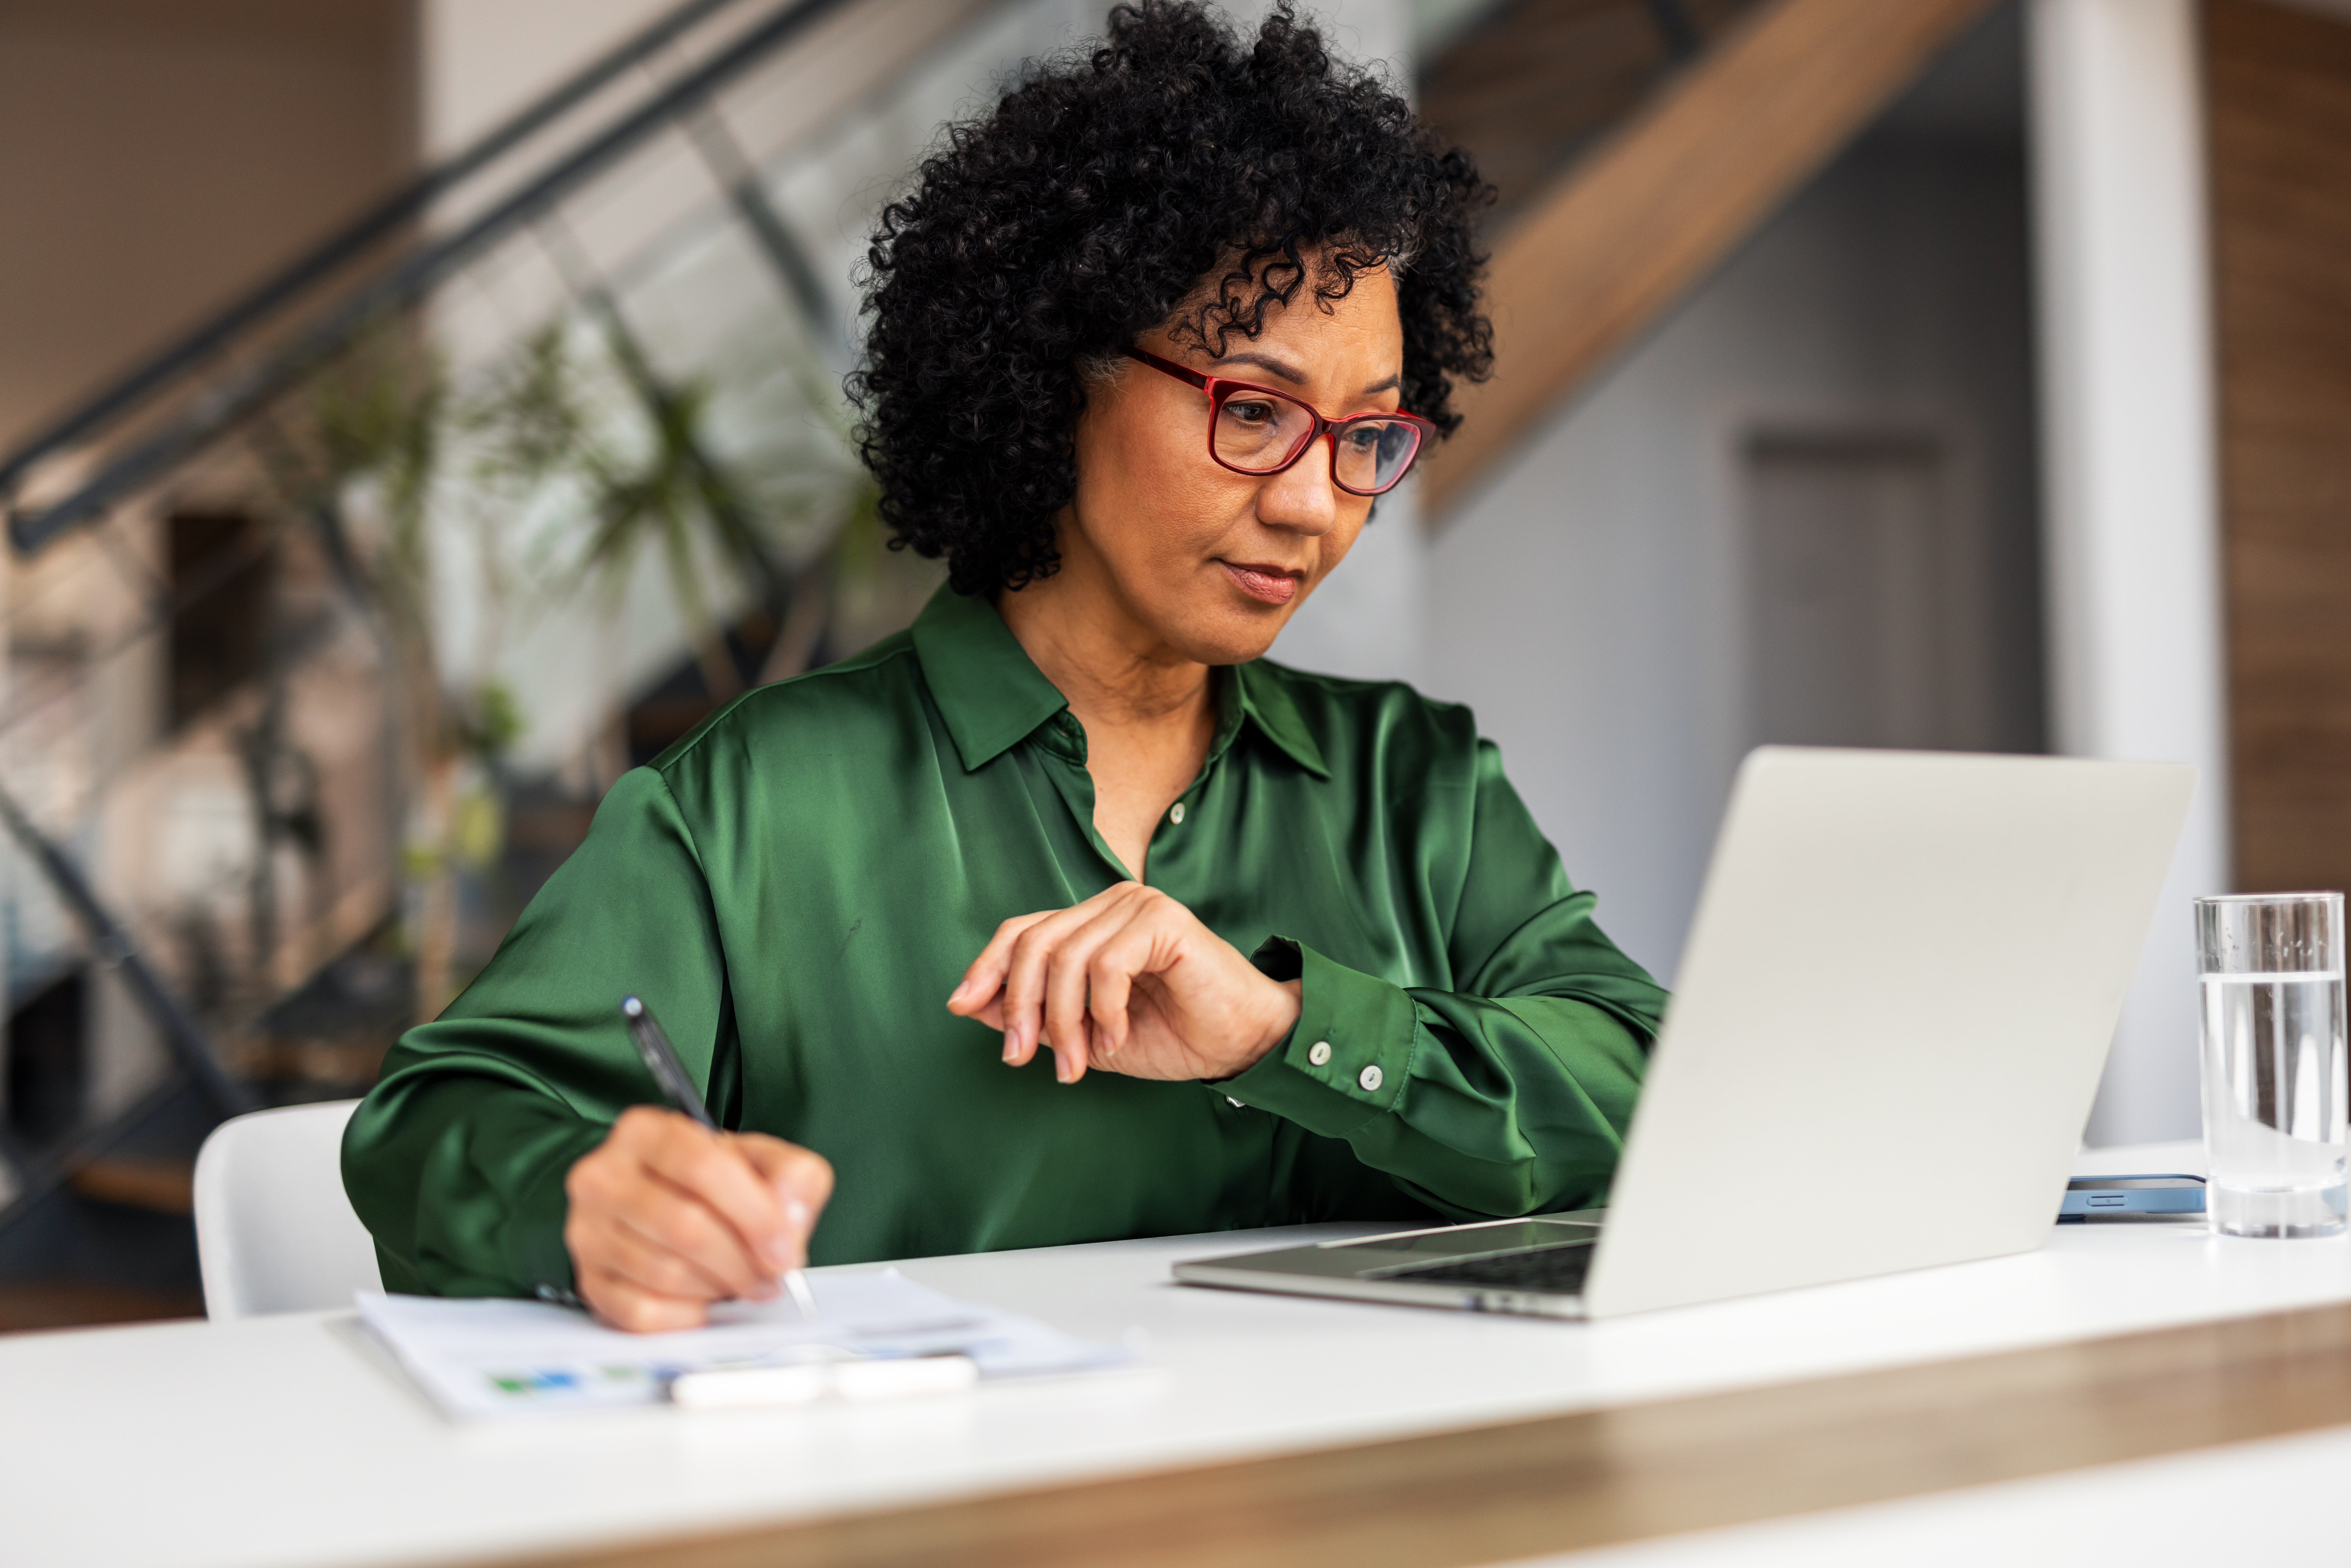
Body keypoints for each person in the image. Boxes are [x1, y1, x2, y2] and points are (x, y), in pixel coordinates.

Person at [342, 0, 1668, 1332]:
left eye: (1367, 434)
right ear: (1053, 376)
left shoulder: (1414, 787)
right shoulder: (752, 806)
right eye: (1254, 411)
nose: (1317, 504)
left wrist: (1284, 1028)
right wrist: (587, 1197)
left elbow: (1657, 1085)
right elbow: (437, 1128)